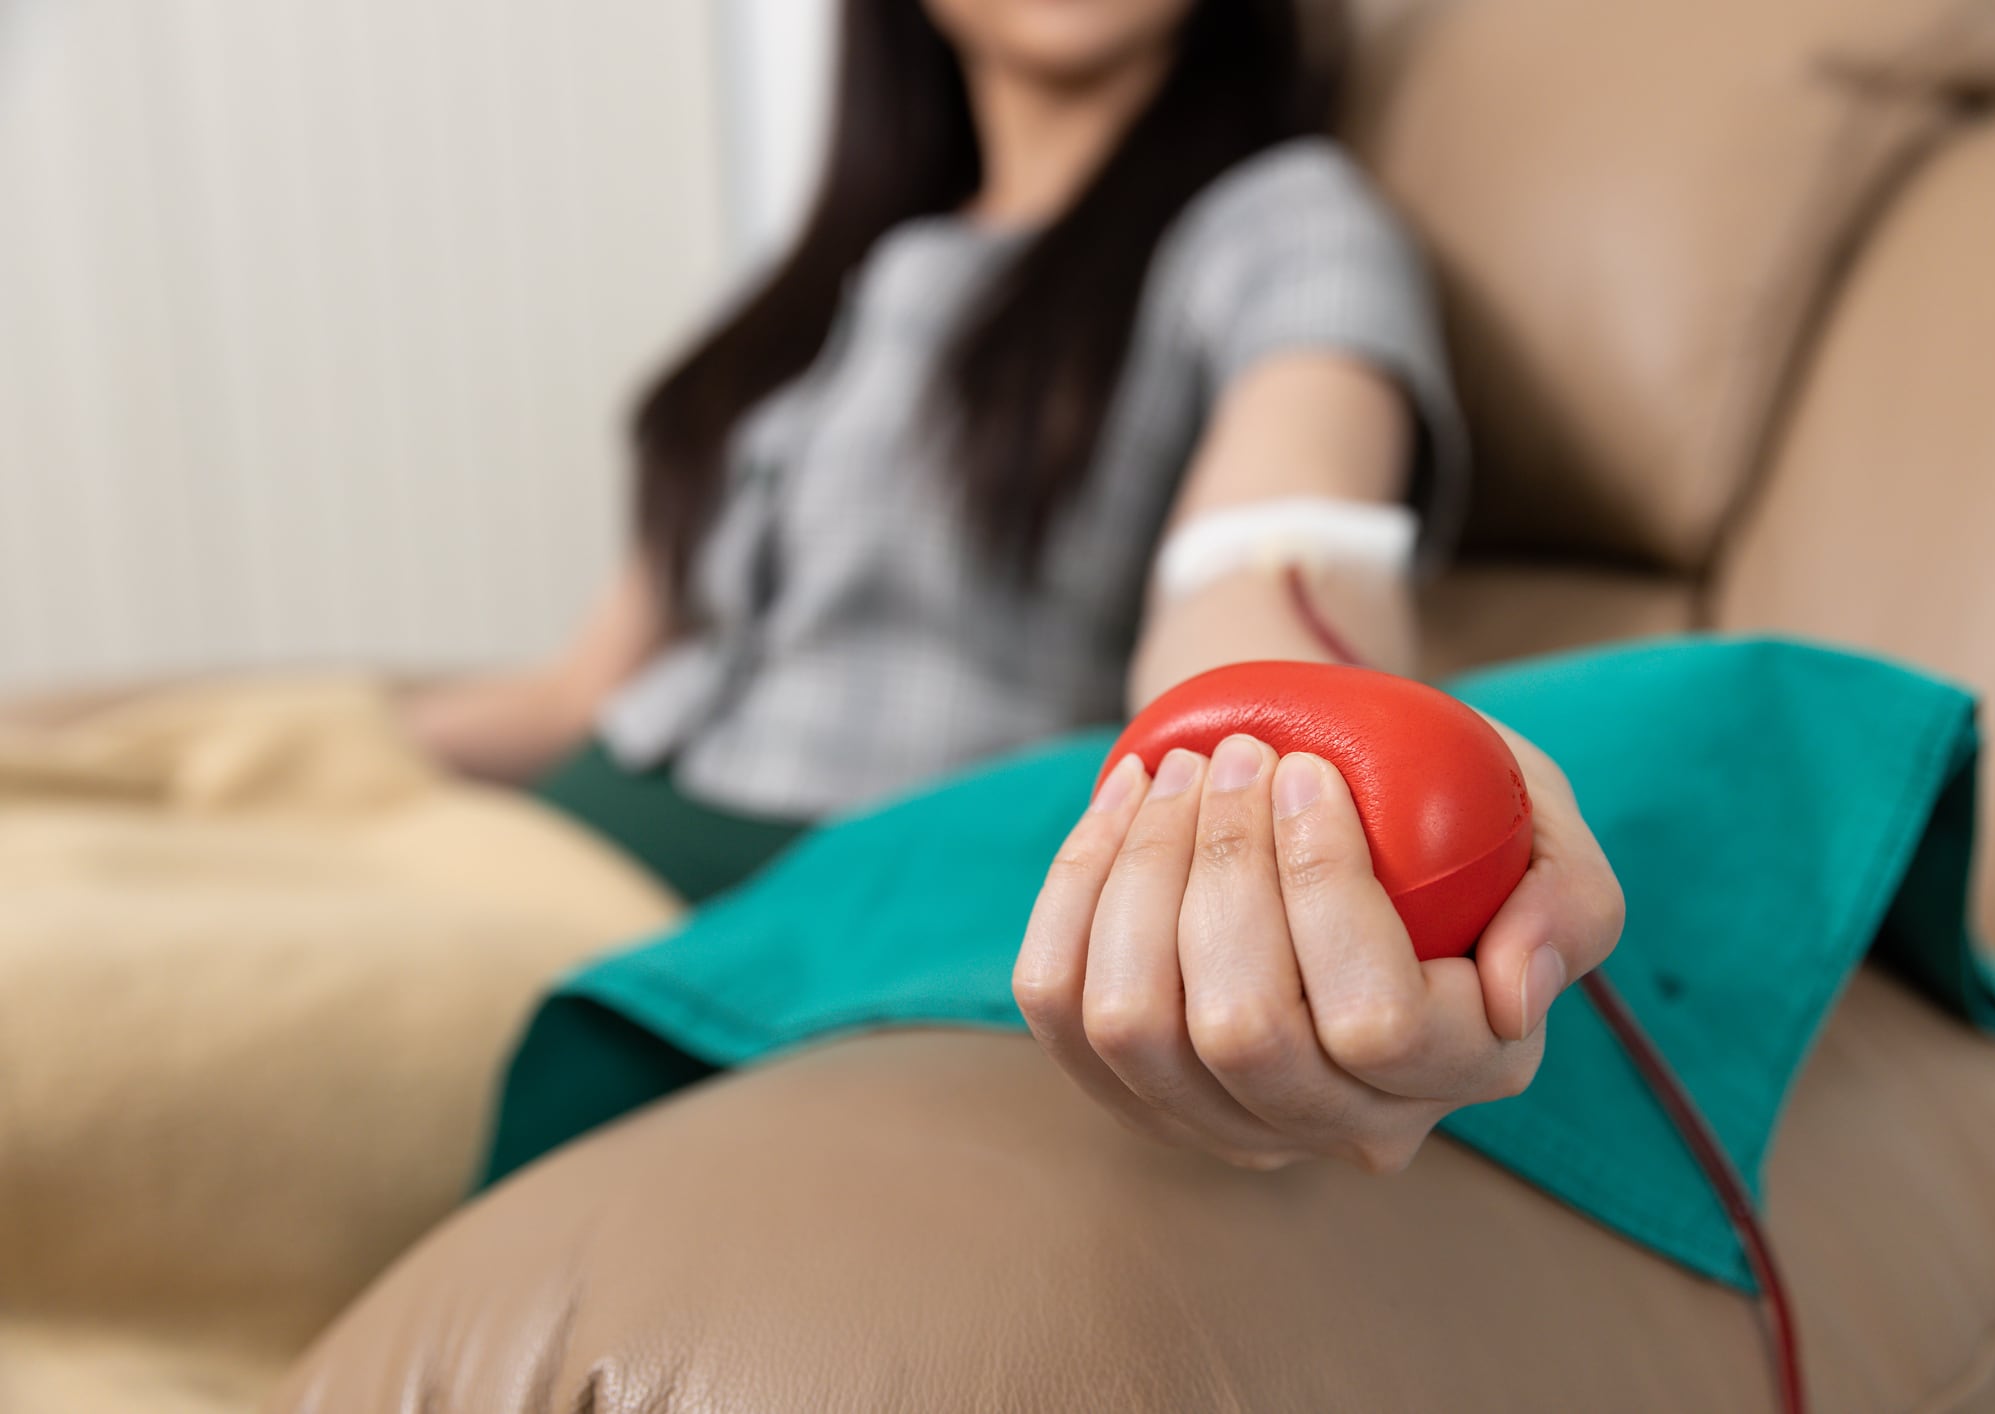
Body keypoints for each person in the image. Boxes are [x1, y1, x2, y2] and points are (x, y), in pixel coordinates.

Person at [370, 0, 1631, 1174]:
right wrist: (299, 738)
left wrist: (1332, 750)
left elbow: (1270, 565)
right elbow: (581, 692)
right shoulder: (825, 281)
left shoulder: (1282, 222)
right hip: (539, 832)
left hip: (764, 913)